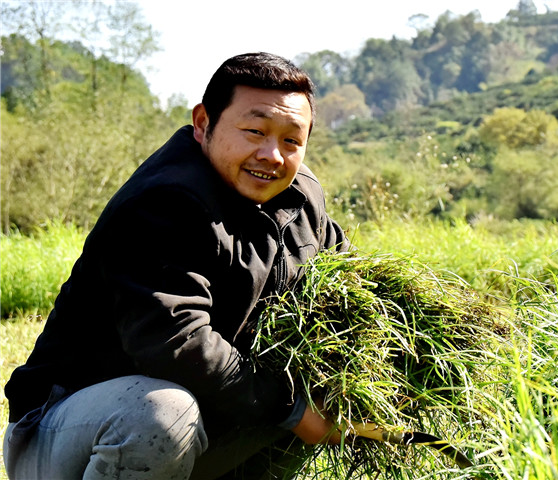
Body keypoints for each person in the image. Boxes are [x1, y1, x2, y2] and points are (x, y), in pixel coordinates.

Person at [3, 52, 348, 480]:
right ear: (203, 123)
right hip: (71, 426)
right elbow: (175, 343)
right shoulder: (163, 203)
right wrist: (294, 410)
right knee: (162, 417)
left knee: (310, 389)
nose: (272, 155)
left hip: (209, 418)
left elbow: (345, 278)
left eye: (291, 141)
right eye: (254, 131)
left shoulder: (300, 196)